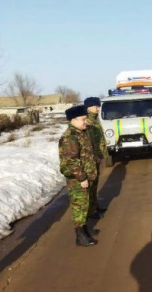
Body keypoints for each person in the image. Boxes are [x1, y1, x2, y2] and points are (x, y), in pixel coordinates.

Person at [59, 105, 98, 247]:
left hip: (85, 175)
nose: (85, 122)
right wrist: (82, 178)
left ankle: (85, 231)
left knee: (85, 205)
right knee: (79, 207)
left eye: (86, 119)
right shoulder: (70, 137)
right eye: (83, 119)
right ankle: (80, 237)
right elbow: (72, 161)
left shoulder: (80, 133)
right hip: (77, 179)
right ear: (73, 120)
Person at [84, 97, 108, 219]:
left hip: (96, 157)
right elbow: (88, 143)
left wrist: (103, 154)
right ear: (88, 107)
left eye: (98, 106)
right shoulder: (86, 121)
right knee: (91, 186)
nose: (98, 108)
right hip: (91, 159)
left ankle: (95, 207)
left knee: (95, 184)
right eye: (95, 106)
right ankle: (91, 211)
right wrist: (93, 156)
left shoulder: (95, 119)